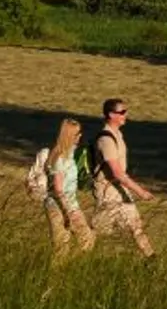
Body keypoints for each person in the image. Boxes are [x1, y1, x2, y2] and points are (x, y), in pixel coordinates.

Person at [90, 98, 155, 257]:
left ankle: (151, 258)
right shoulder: (106, 139)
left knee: (135, 226)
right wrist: (141, 192)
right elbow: (117, 173)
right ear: (111, 115)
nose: (126, 115)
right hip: (109, 192)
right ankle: (75, 253)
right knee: (97, 230)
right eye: (122, 112)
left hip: (120, 189)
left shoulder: (117, 134)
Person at [43, 117, 95, 254]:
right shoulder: (60, 158)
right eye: (78, 134)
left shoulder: (69, 154)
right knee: (62, 247)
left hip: (70, 204)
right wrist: (68, 212)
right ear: (70, 136)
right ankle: (60, 272)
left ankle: (72, 267)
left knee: (87, 239)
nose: (80, 136)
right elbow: (58, 189)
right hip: (60, 206)